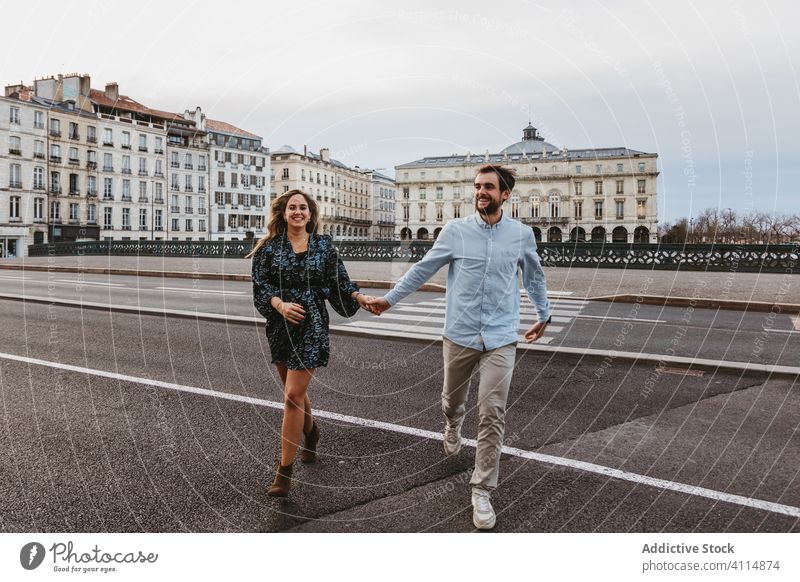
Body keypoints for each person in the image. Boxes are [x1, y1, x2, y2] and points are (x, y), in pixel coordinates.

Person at [367, 165, 551, 530]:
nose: (481, 192)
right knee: (453, 401)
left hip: (501, 337)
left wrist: (544, 314)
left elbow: (534, 276)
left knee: (493, 412)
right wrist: (390, 300)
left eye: (488, 187)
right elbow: (422, 269)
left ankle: (481, 490)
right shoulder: (455, 231)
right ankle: (452, 424)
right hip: (460, 334)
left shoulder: (520, 235)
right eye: (478, 186)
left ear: (505, 195)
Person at [249, 189, 373, 497]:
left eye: (303, 207)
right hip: (280, 325)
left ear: (310, 214)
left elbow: (338, 282)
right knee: (296, 392)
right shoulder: (268, 248)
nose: (298, 212)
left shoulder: (323, 246)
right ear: (283, 212)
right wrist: (279, 305)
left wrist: (359, 296)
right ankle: (311, 431)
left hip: (312, 325)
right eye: (292, 207)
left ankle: (284, 472)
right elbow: (260, 285)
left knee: (292, 396)